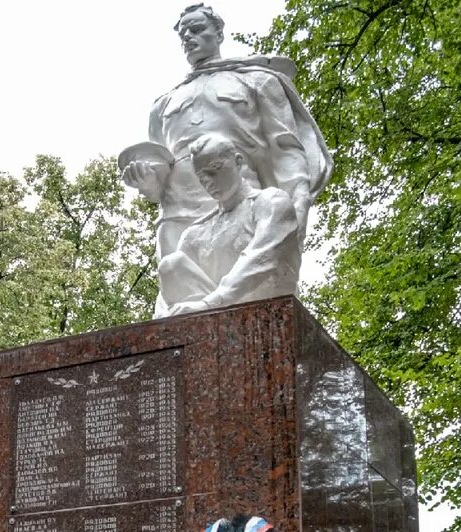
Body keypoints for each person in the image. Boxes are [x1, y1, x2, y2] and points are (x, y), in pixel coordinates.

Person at [121, 4, 331, 266]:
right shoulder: (162, 105)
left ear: (219, 34)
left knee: (252, 290)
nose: (188, 37)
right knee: (177, 281)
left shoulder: (257, 81)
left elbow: (286, 149)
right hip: (177, 216)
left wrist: (297, 202)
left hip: (239, 204)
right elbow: (161, 174)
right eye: (183, 34)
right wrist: (146, 180)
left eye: (197, 29)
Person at [159, 132, 300, 315]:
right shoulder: (195, 234)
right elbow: (174, 289)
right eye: (202, 177)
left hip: (272, 314)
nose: (208, 182)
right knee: (171, 264)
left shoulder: (271, 202)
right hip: (215, 324)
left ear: (238, 161)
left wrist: (211, 303)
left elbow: (261, 258)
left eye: (215, 169)